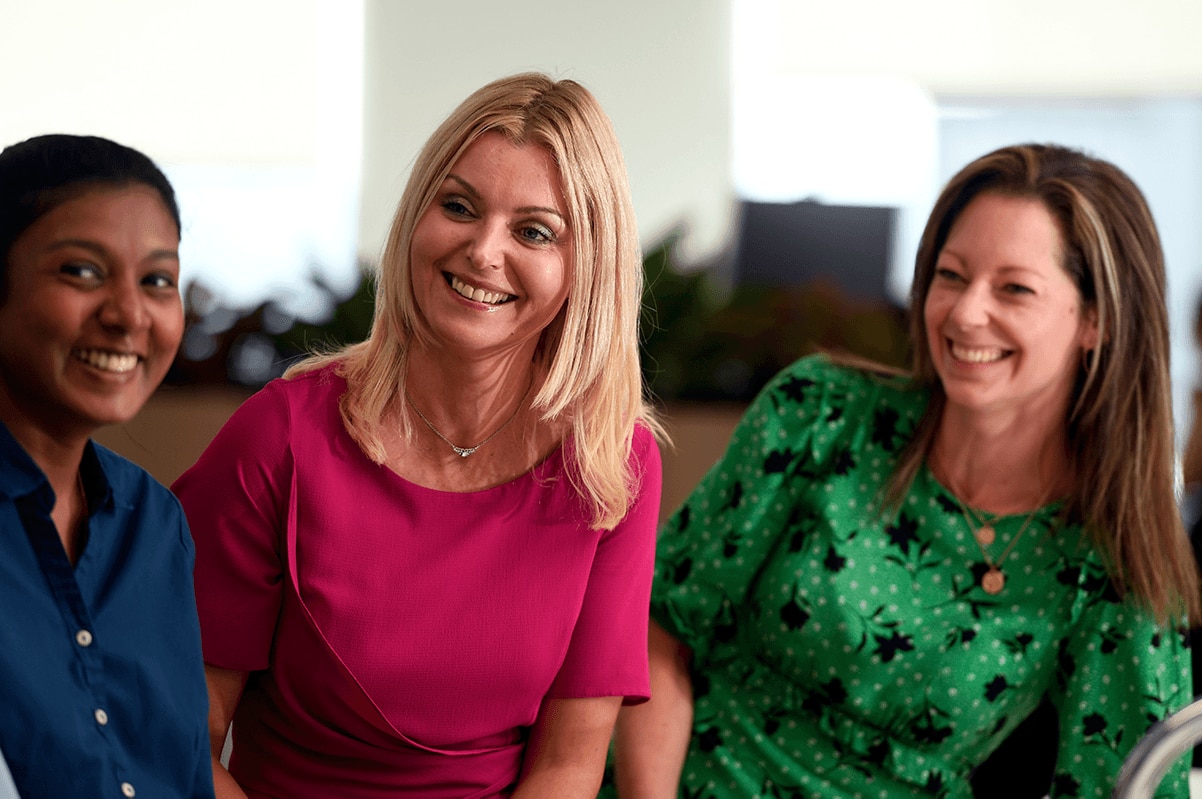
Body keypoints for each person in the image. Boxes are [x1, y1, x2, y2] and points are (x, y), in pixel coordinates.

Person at [611, 143, 1199, 798]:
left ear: (1096, 321)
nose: (966, 312)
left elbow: (1132, 784)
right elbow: (661, 623)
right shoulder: (822, 413)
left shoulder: (1110, 563)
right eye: (951, 275)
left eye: (1014, 288)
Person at [172, 72, 663, 798]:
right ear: (416, 216)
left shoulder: (611, 463)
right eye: (458, 206)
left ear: (584, 267)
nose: (482, 250)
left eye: (534, 231)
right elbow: (185, 738)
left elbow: (567, 766)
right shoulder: (281, 435)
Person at [0, 134, 213, 797]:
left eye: (157, 281)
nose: (128, 316)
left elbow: (183, 772)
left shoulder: (153, 521)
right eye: (82, 271)